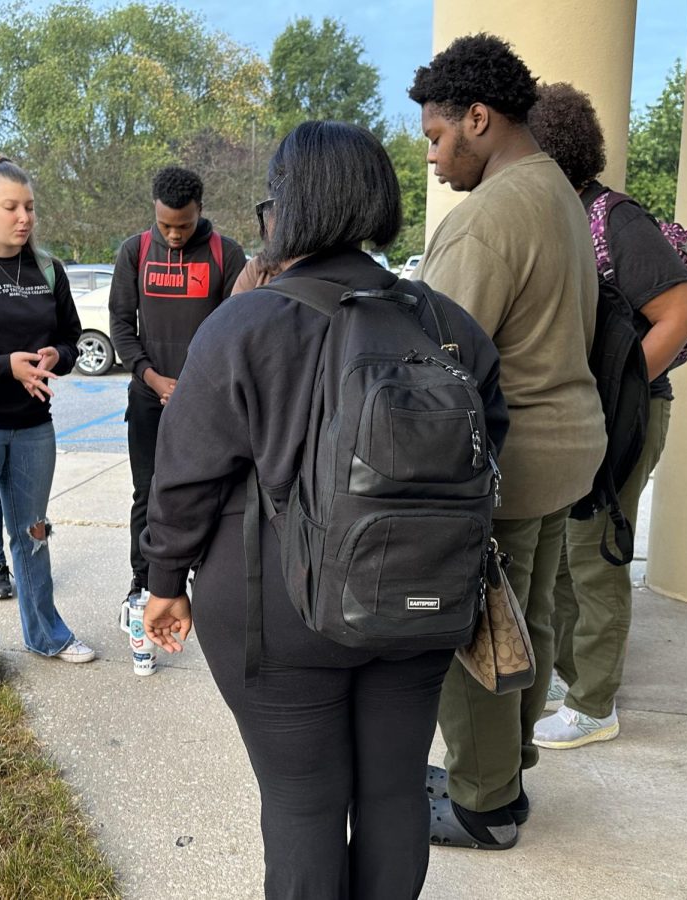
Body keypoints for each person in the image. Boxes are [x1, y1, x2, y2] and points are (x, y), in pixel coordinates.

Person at [141, 120, 508, 898]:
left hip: (279, 605)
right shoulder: (447, 326)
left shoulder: (245, 325)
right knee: (395, 791)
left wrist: (165, 580)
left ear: (287, 209)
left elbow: (186, 476)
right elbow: (492, 446)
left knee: (303, 804)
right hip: (423, 597)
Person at [409, 34, 607, 849]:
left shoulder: (486, 218)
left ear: (478, 118)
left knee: (476, 628)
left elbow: (433, 369)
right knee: (531, 617)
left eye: (435, 137)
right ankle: (508, 772)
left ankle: (482, 803)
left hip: (503, 462)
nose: (432, 158)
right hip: (567, 448)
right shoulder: (561, 190)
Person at [527, 82, 687, 749]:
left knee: (594, 554)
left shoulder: (614, 219)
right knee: (567, 555)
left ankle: (594, 704)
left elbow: (681, 313)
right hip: (587, 416)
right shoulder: (562, 214)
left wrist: (618, 395)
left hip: (627, 417)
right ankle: (574, 676)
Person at [0, 154, 95, 693]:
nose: (24, 217)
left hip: (34, 426)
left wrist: (55, 354)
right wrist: (6, 365)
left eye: (29, 206)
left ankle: (46, 634)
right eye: (11, 207)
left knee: (32, 534)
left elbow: (74, 341)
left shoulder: (48, 270)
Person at [108, 166, 246, 610]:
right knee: (147, 493)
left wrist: (195, 385)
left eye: (183, 225)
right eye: (164, 223)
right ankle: (142, 582)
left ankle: (203, 581)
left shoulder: (226, 254)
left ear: (199, 211)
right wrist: (151, 377)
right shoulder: (136, 251)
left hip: (207, 402)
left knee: (209, 491)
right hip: (149, 397)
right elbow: (121, 327)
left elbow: (235, 329)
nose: (173, 234)